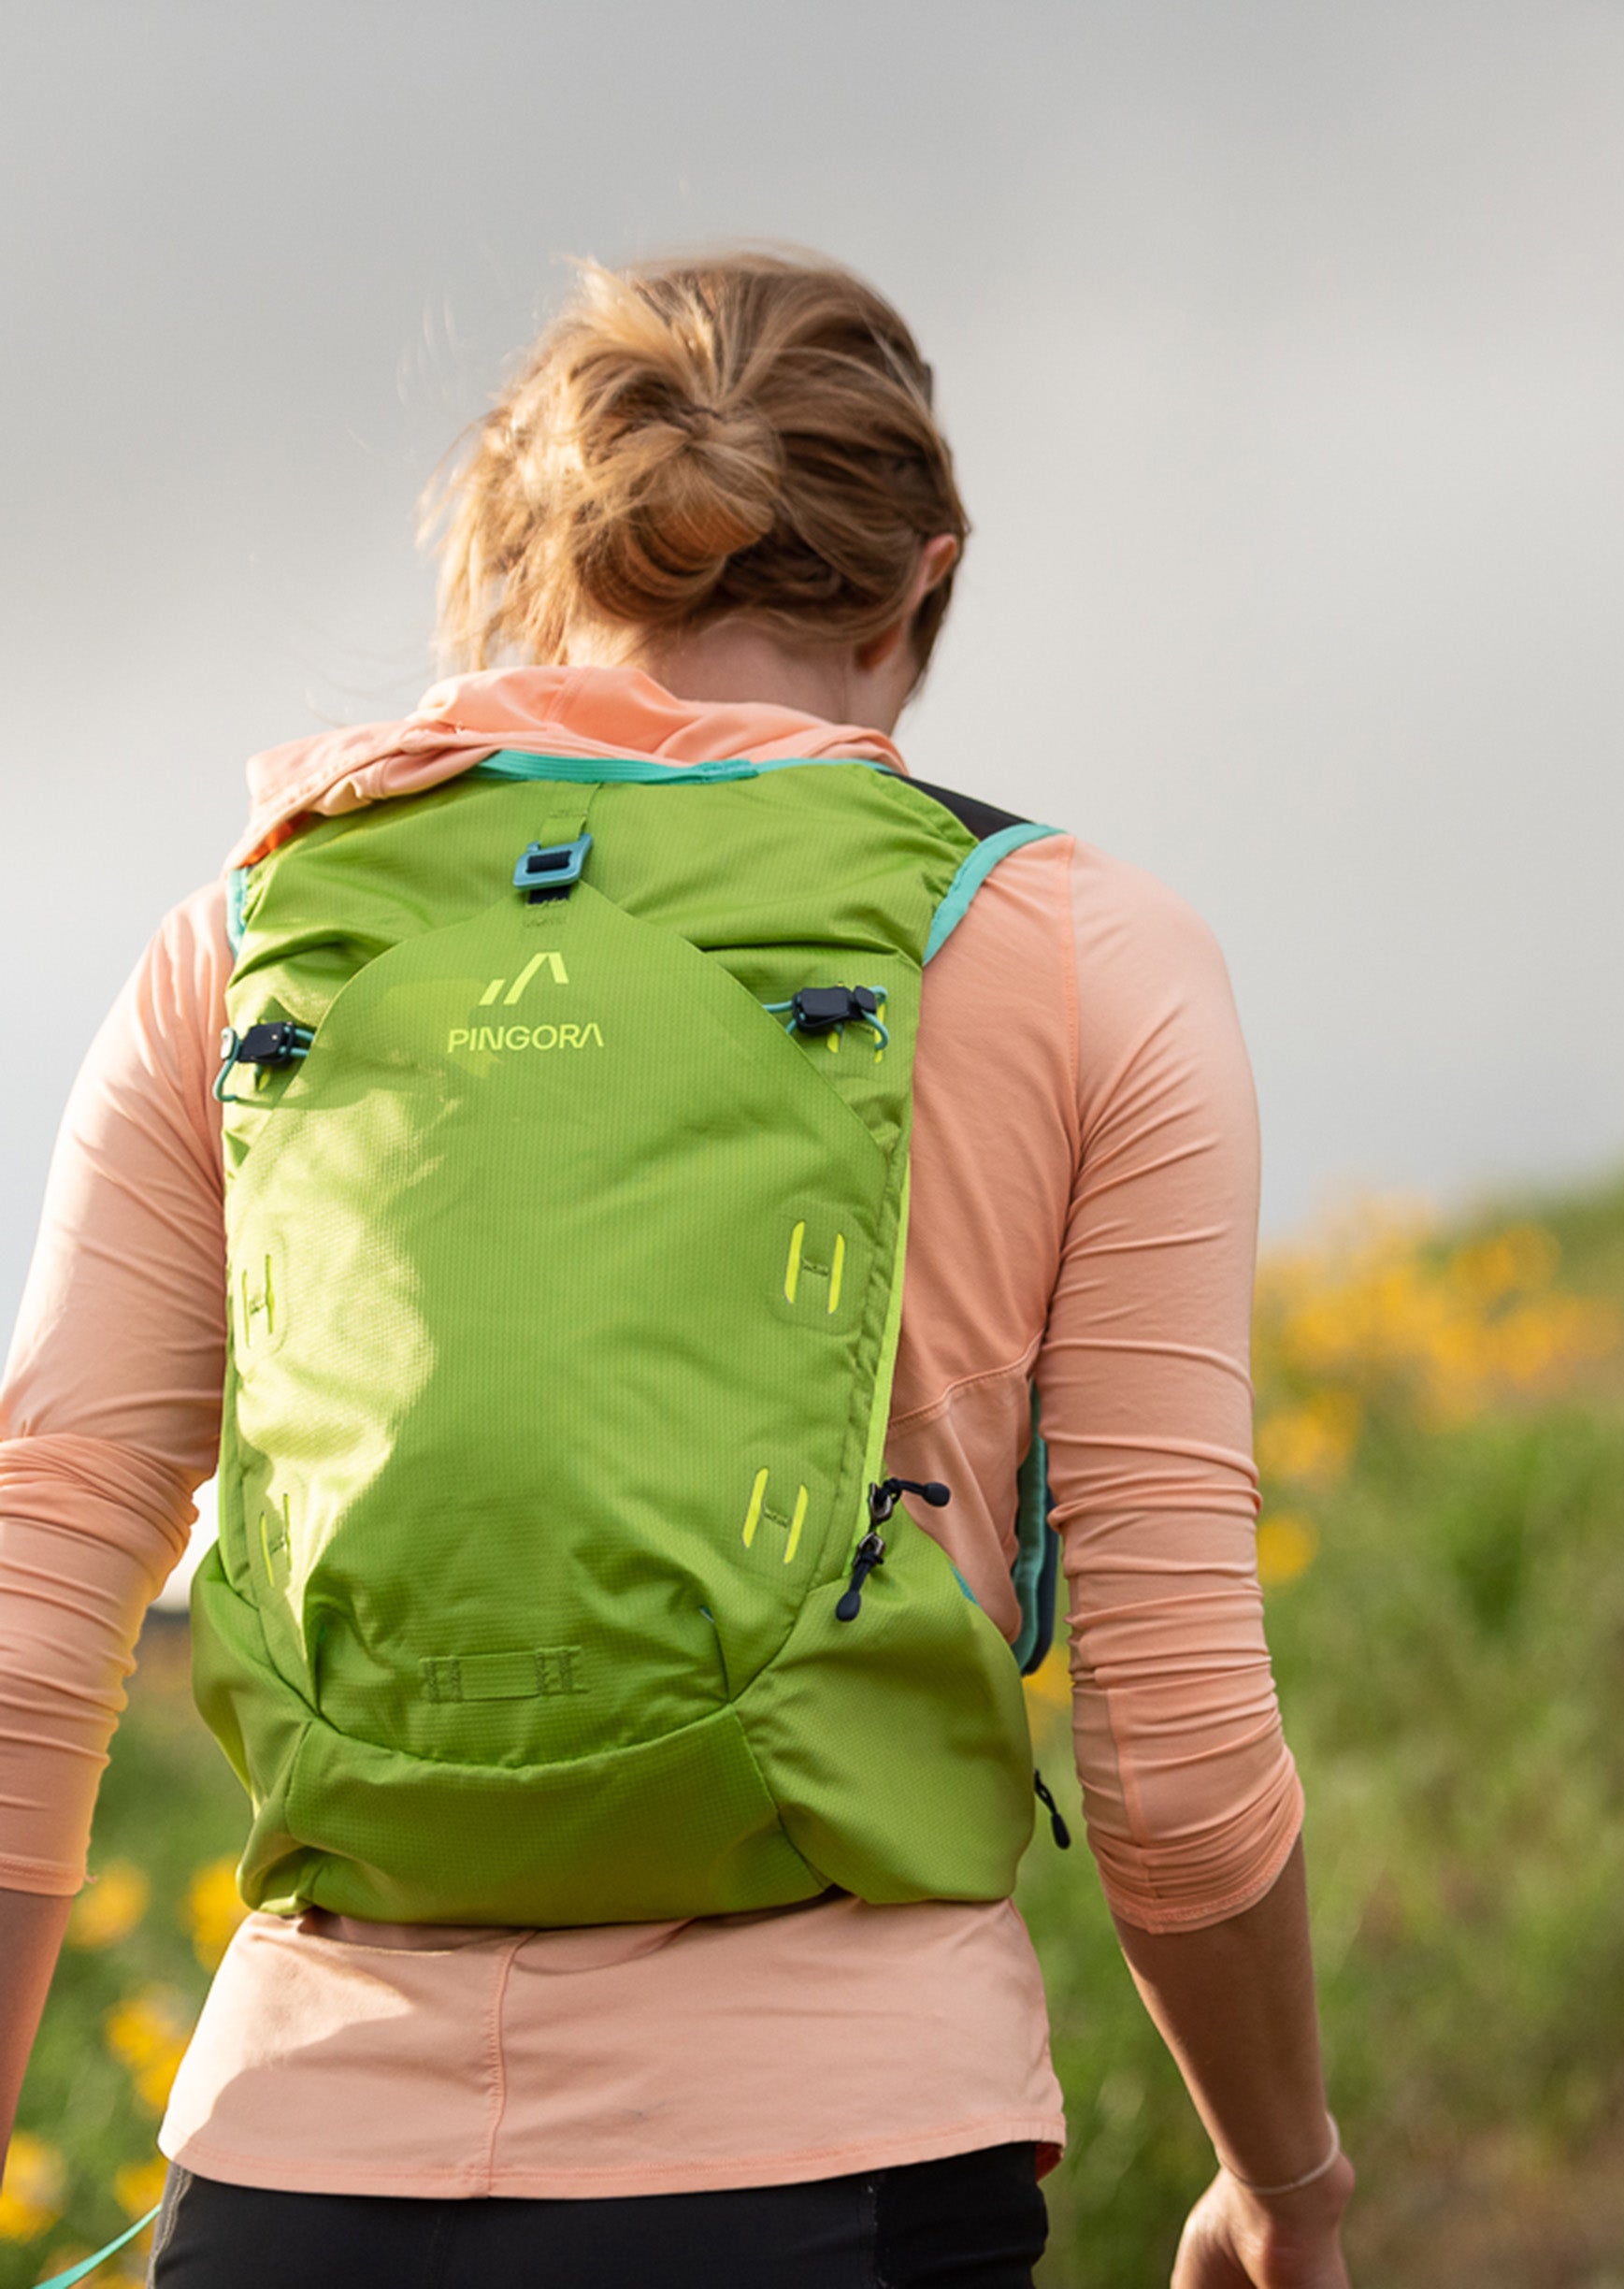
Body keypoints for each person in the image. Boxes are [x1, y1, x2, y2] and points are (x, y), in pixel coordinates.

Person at [0, 251, 1354, 2288]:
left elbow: (30, 1631)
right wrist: (1284, 2184)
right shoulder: (1088, 958)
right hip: (843, 2173)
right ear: (923, 585)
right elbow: (1176, 1771)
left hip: (298, 2182)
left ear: (539, 558)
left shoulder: (252, 939)